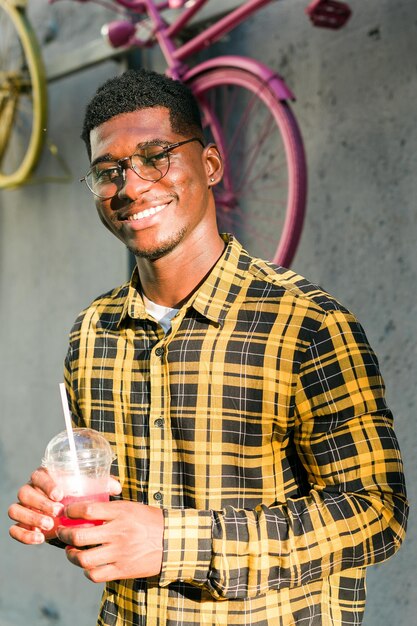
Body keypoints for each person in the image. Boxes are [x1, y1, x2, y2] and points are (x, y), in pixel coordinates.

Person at [8, 68, 408, 626]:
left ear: (212, 165)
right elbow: (113, 506)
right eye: (108, 171)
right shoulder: (93, 332)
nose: (131, 186)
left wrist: (174, 541)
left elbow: (375, 515)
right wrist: (62, 516)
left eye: (156, 156)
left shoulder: (306, 323)